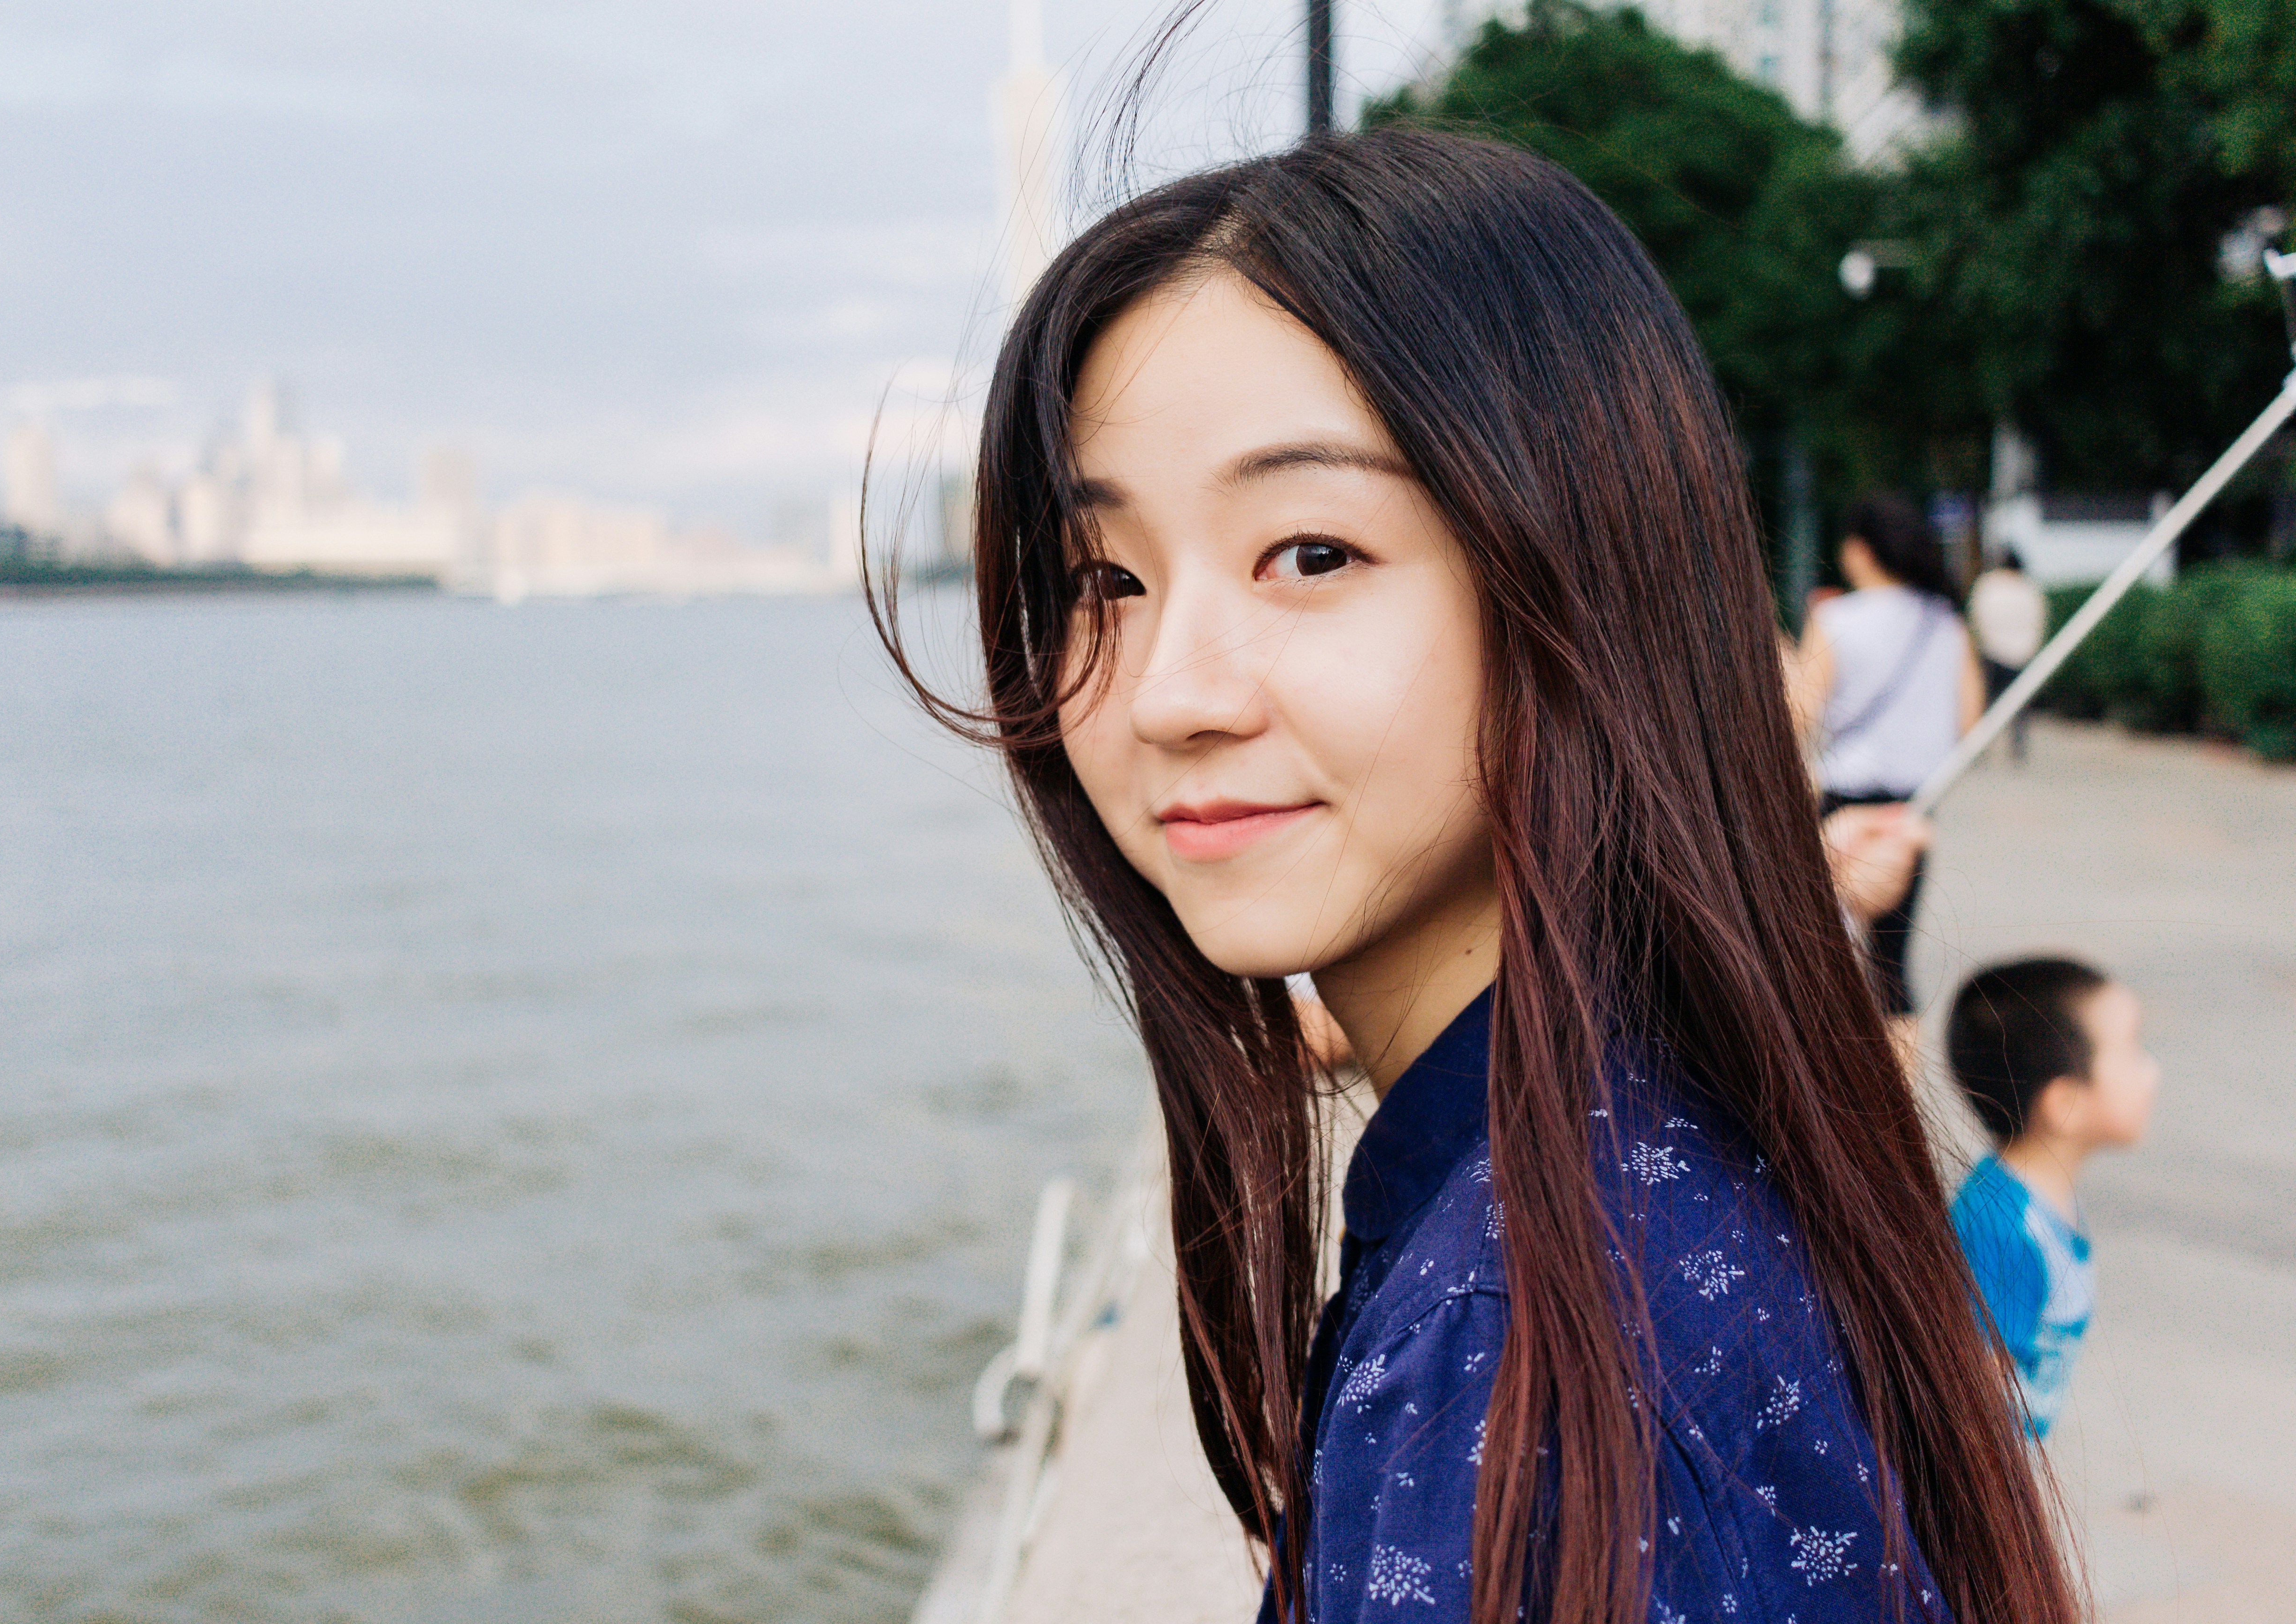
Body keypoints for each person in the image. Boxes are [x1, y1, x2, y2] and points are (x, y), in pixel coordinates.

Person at [873, 132, 2072, 1624]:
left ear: (1578, 577)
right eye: (1103, 580)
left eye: (1310, 551)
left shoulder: (1522, 1350)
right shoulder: (1647, 1152)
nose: (1170, 690)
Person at [1791, 498, 1985, 1034]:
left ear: (1860, 551)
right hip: (1913, 808)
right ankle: (1898, 1107)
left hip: (1843, 804)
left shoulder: (1835, 618)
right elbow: (1970, 725)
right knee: (1891, 965)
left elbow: (1802, 714)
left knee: (1827, 956)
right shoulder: (1945, 622)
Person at [1945, 959, 2160, 1439]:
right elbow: (1963, 1407)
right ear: (2065, 1104)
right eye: (2132, 1052)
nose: (2152, 1072)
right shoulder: (2004, 1231)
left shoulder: (2039, 1200)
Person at [1967, 549, 2045, 763]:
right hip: (2022, 654)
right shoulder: (2029, 587)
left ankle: (1980, 750)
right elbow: (2039, 620)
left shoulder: (1988, 585)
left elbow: (1977, 616)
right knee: (2019, 707)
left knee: (1986, 705)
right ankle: (2018, 750)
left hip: (1992, 652)